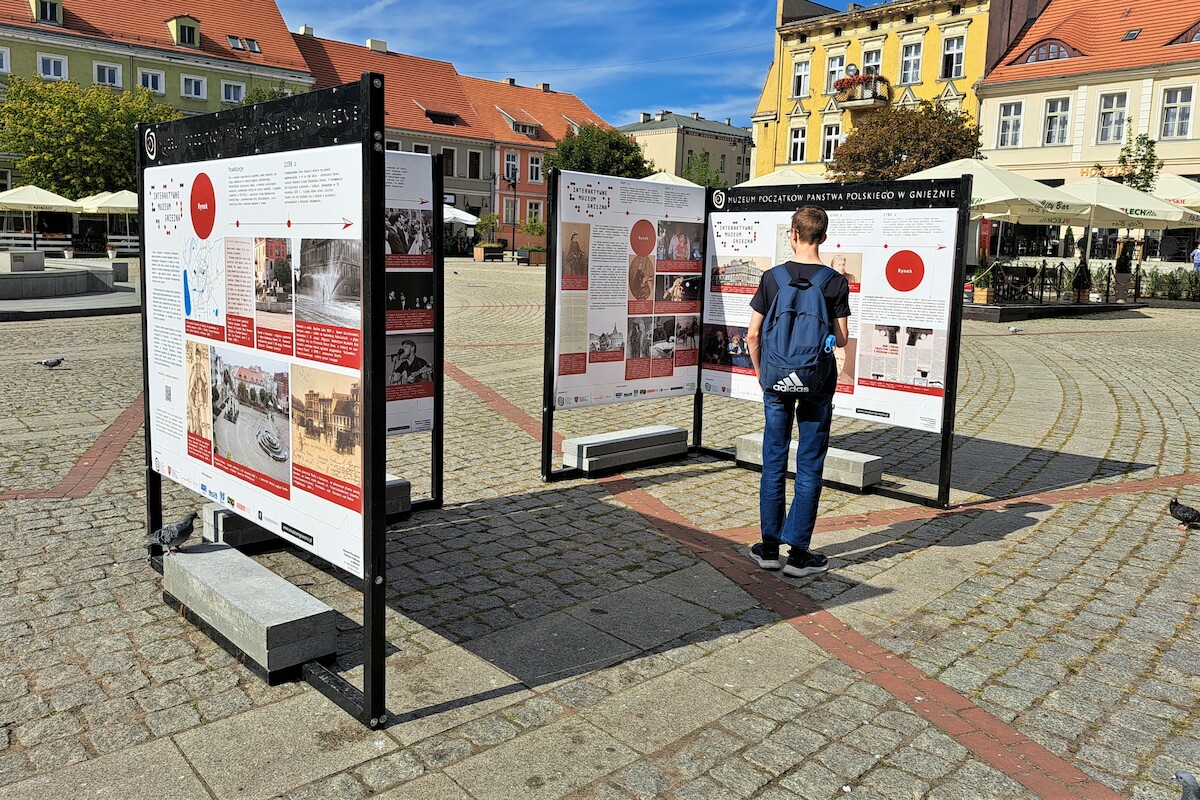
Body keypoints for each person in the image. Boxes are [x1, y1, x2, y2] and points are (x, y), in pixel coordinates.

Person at [745, 206, 850, 578]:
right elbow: (842, 338)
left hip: (776, 380)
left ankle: (769, 548)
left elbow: (752, 335)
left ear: (792, 234)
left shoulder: (771, 278)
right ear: (823, 237)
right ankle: (800, 555)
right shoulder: (835, 282)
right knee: (810, 462)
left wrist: (762, 374)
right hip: (816, 381)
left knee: (773, 458)